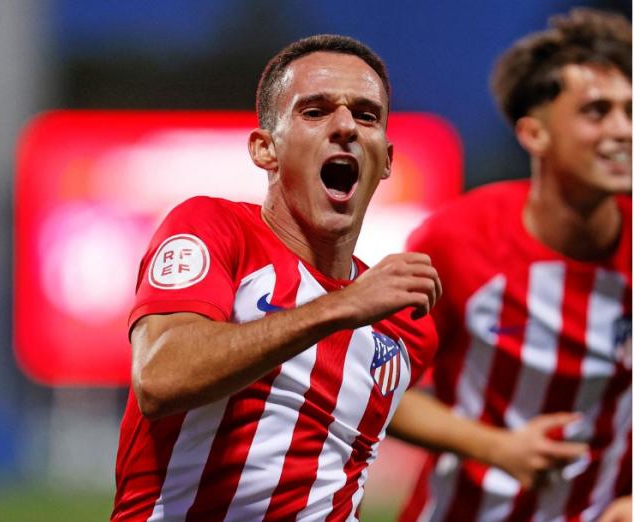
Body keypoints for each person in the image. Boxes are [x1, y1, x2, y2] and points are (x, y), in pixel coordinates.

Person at [111, 34, 442, 521]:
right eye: (315, 111)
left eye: (366, 115)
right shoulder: (215, 230)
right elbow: (161, 378)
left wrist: (501, 448)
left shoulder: (404, 326)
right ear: (265, 149)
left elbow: (348, 453)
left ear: (387, 160)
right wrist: (341, 306)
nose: (346, 126)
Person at [390, 8, 632, 522]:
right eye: (597, 111)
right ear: (534, 134)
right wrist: (495, 446)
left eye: (631, 111)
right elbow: (378, 383)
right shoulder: (457, 237)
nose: (623, 130)